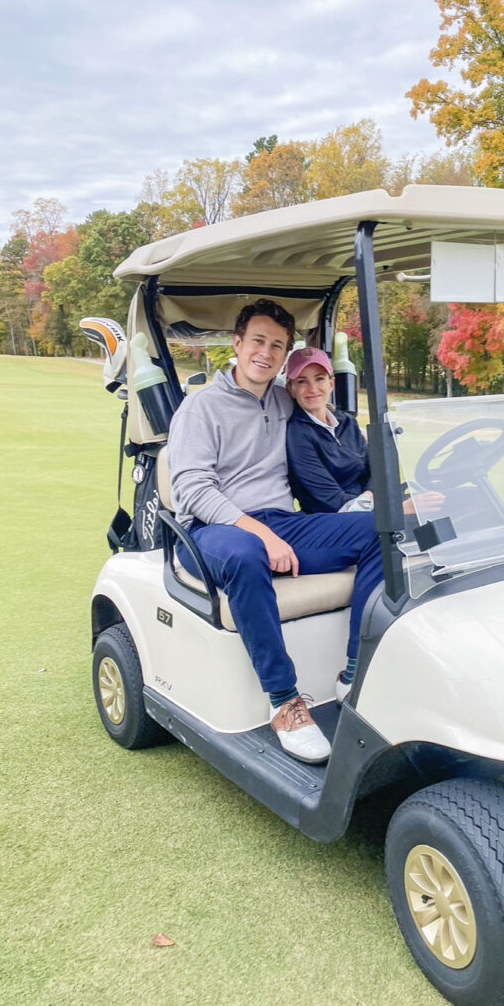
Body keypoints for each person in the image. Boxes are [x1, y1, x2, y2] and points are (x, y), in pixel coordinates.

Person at [166, 299, 383, 765]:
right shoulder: (200, 408)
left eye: (278, 346)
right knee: (245, 553)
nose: (266, 353)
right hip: (211, 531)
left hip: (281, 523)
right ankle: (285, 701)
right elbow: (191, 488)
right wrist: (261, 536)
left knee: (380, 530)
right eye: (258, 342)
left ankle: (353, 670)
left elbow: (328, 420)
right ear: (238, 344)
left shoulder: (285, 399)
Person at [285, 347, 445, 517]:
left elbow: (378, 469)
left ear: (331, 384)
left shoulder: (347, 423)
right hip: (337, 521)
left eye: (319, 379)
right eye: (302, 381)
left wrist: (372, 496)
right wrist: (397, 510)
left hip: (373, 505)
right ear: (291, 389)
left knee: (454, 498)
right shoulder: (297, 435)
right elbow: (331, 503)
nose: (313, 388)